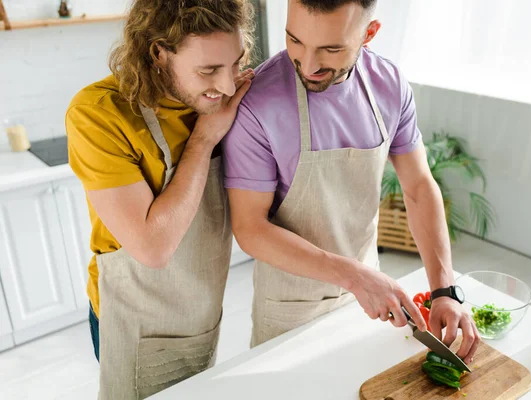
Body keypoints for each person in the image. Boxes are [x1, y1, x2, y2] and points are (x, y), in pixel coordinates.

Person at [223, 0, 480, 364]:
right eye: (294, 40)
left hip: (371, 293)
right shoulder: (256, 104)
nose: (308, 65)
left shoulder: (388, 85)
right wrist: (355, 277)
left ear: (369, 34)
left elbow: (420, 186)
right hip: (290, 305)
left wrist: (445, 289)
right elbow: (249, 228)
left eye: (331, 48)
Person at [64, 0, 255, 398]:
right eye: (208, 70)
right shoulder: (100, 114)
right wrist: (203, 140)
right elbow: (153, 248)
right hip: (134, 323)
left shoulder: (228, 97)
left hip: (202, 314)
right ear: (157, 53)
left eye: (235, 63)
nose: (226, 86)